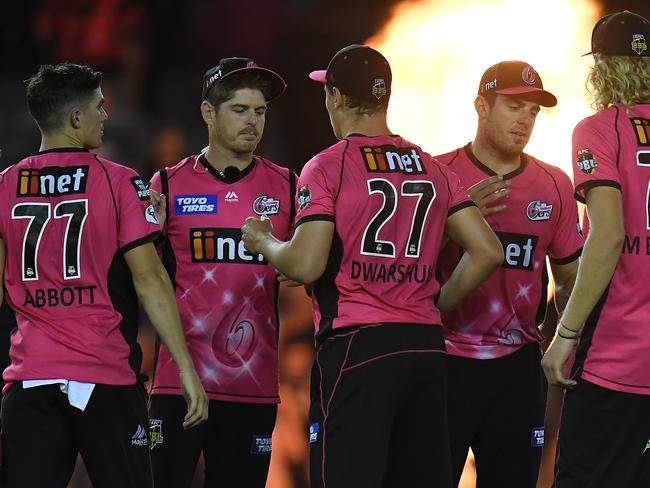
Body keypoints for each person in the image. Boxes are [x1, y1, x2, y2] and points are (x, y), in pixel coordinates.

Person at [241, 44, 504, 488]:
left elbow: (305, 264)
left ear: (337, 98)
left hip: (357, 349)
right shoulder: (429, 165)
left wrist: (265, 240)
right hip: (424, 348)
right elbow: (488, 252)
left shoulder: (327, 166)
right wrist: (435, 305)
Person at [0, 63, 207, 488]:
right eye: (99, 105)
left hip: (31, 381)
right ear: (76, 118)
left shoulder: (4, 186)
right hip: (106, 380)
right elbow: (149, 279)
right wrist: (185, 367)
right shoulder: (119, 183)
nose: (106, 115)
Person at [147, 57, 296, 488]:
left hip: (253, 385)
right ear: (208, 113)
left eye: (261, 111)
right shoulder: (168, 185)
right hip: (178, 383)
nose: (253, 121)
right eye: (240, 110)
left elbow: (306, 267)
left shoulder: (288, 185)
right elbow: (142, 278)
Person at [434, 60, 583, 488]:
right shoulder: (437, 172)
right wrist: (455, 221)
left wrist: (565, 341)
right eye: (515, 105)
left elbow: (571, 280)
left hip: (518, 368)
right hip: (443, 360)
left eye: (534, 110)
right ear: (481, 105)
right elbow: (407, 270)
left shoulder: (554, 184)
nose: (526, 118)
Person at [542, 10, 650, 487]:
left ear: (601, 67)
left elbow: (607, 234)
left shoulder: (602, 129)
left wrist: (565, 334)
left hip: (614, 359)